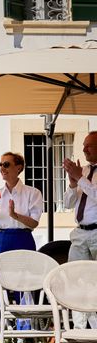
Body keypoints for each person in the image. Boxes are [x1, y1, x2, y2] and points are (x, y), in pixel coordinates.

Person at [0, 152, 43, 341]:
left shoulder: (32, 193)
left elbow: (34, 223)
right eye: (0, 164)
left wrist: (15, 215)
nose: (2, 168)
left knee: (24, 284)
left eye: (6, 164)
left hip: (23, 238)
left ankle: (24, 334)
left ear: (18, 168)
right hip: (1, 238)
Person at [62, 131, 97, 329]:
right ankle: (80, 328)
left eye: (89, 145)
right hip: (80, 233)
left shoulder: (84, 174)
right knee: (76, 280)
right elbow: (68, 203)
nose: (84, 149)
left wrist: (80, 178)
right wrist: (73, 182)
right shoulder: (82, 171)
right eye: (83, 145)